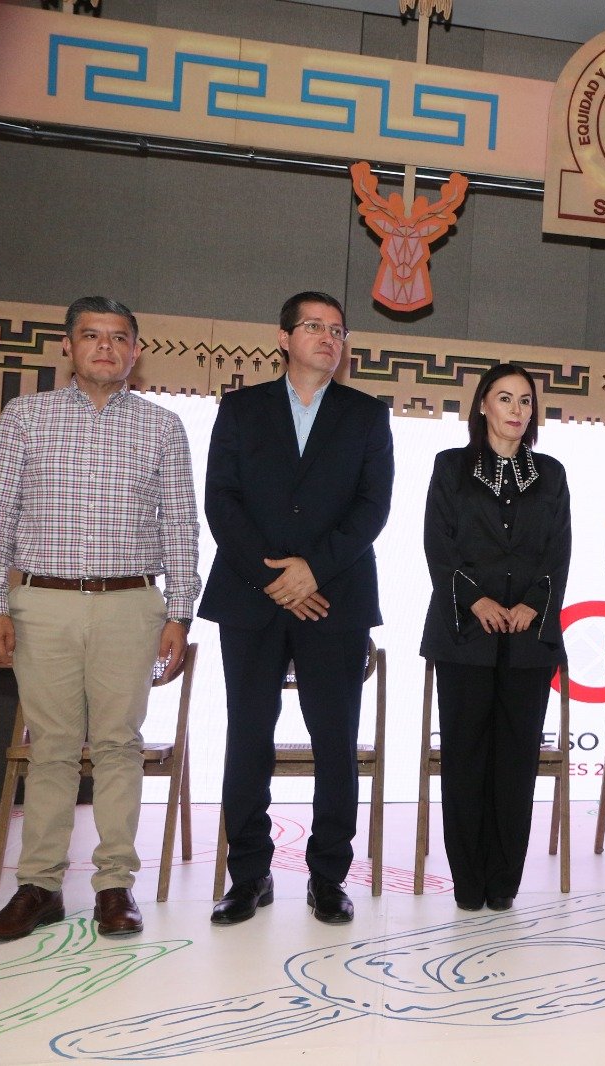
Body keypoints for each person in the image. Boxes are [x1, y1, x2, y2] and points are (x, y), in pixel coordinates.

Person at [0, 297, 200, 942]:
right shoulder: (25, 417)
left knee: (117, 745)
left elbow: (180, 523)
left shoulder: (162, 426)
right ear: (68, 346)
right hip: (42, 602)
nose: (106, 347)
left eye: (118, 337)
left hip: (131, 604)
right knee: (50, 746)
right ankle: (39, 887)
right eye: (91, 336)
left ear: (136, 351)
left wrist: (180, 612)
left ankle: (114, 886)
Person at [201, 291, 394, 926]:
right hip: (250, 596)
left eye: (338, 330)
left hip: (334, 598)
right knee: (248, 736)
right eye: (314, 326)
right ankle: (248, 875)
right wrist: (274, 577)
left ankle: (328, 877)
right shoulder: (242, 408)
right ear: (284, 338)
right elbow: (222, 499)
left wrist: (313, 569)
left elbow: (373, 507)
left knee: (335, 741)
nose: (328, 337)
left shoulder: (367, 415)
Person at [421, 363, 571, 911]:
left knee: (515, 765)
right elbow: (438, 545)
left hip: (529, 642)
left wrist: (532, 603)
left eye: (525, 401)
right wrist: (477, 599)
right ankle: (468, 884)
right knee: (464, 762)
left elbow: (559, 550)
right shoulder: (451, 467)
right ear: (483, 403)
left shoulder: (550, 474)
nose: (516, 410)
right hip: (465, 636)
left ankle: (504, 884)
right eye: (505, 398)